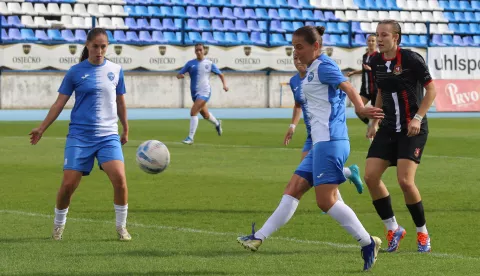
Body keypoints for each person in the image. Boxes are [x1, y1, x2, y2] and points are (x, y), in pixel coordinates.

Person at [237, 26, 384, 271]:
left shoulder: (324, 66)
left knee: (325, 202)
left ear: (315, 46)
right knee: (292, 188)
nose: (295, 52)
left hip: (331, 142)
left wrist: (359, 107)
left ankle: (367, 242)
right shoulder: (310, 72)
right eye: (293, 47)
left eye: (299, 47)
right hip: (319, 144)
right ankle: (258, 237)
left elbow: (347, 86)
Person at [29, 28, 131, 241]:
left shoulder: (116, 70)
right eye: (95, 46)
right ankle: (58, 226)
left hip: (108, 136)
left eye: (103, 46)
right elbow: (59, 103)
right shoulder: (75, 72)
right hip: (80, 136)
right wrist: (41, 128)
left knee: (120, 178)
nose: (100, 51)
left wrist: (125, 127)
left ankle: (121, 228)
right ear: (87, 45)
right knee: (68, 186)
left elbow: (120, 101)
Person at [364, 20, 437, 253]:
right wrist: (374, 121)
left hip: (411, 128)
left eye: (384, 34)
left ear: (396, 37)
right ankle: (393, 228)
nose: (379, 39)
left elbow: (432, 90)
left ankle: (423, 232)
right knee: (370, 177)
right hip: (387, 127)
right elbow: (381, 91)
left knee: (405, 181)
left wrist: (418, 118)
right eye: (377, 34)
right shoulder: (375, 61)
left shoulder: (411, 59)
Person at [285, 55, 364, 195]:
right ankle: (345, 177)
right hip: (312, 134)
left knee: (317, 173)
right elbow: (298, 105)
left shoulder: (318, 74)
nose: (298, 61)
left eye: (299, 57)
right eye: (295, 58)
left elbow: (344, 88)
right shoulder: (294, 81)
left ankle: (332, 203)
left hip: (326, 132)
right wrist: (292, 126)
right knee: (313, 172)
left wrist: (360, 107)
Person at [177, 43, 229, 145]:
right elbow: (178, 74)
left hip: (205, 92)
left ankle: (190, 137)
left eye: (200, 50)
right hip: (194, 94)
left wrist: (224, 85)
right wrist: (180, 75)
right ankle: (217, 123)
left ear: (204, 50)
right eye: (197, 50)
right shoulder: (190, 63)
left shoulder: (209, 64)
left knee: (193, 112)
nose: (199, 52)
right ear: (195, 51)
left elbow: (221, 74)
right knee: (205, 115)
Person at [346, 34, 379, 141]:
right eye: (369, 40)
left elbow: (381, 71)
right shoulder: (365, 56)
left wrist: (371, 70)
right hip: (365, 88)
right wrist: (354, 72)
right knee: (357, 109)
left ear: (376, 42)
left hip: (375, 88)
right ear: (366, 42)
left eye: (373, 41)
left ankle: (374, 135)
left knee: (376, 114)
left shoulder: (378, 56)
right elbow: (365, 69)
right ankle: (369, 123)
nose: (371, 43)